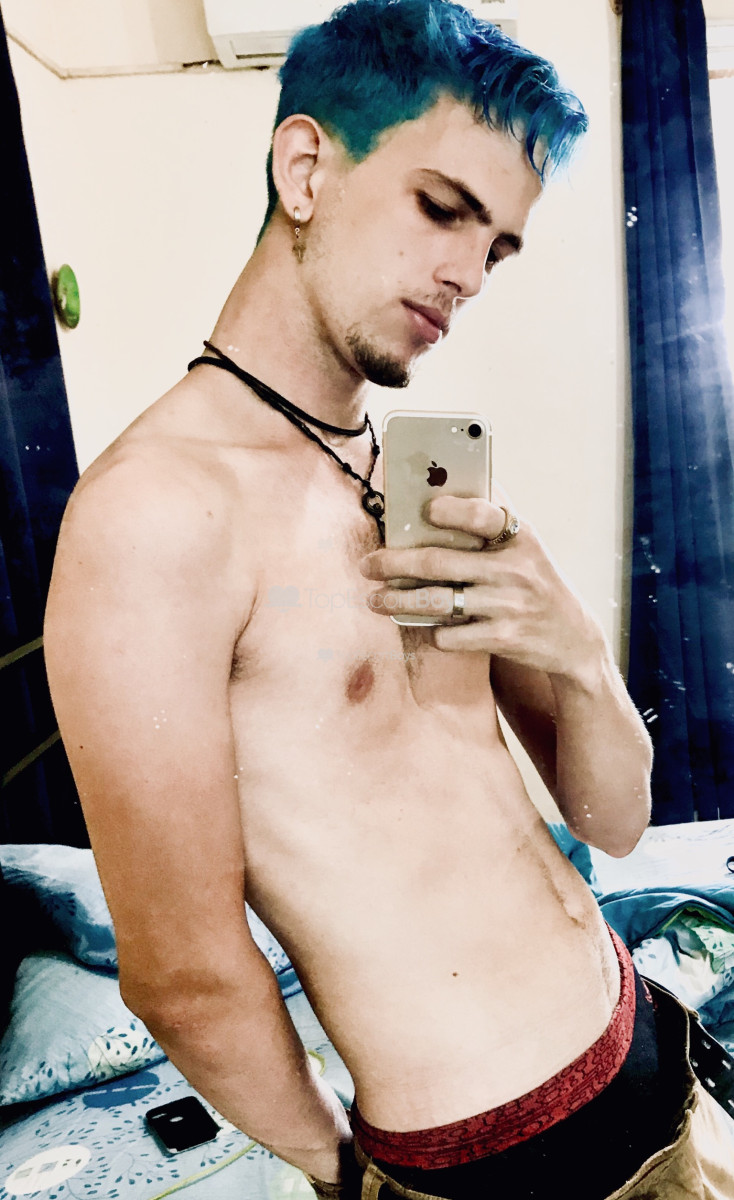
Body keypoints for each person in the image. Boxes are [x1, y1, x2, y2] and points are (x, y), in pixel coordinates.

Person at [43, 1, 734, 1197]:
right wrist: (344, 1174)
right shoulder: (152, 518)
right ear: (305, 167)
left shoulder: (409, 471)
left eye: (496, 248)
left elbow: (612, 820)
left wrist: (574, 649)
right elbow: (181, 973)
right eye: (440, 208)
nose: (466, 275)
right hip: (497, 1160)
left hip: (646, 1051)